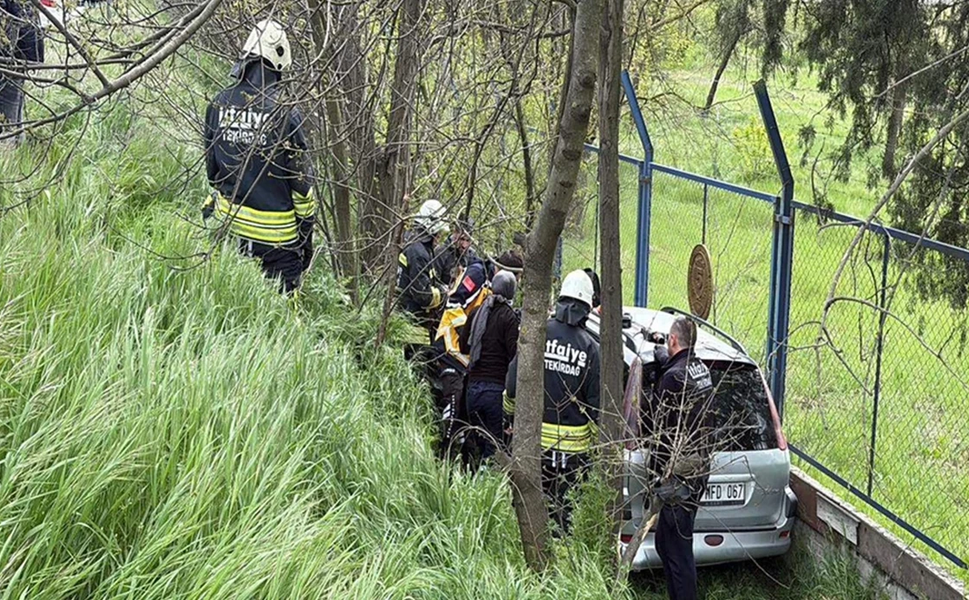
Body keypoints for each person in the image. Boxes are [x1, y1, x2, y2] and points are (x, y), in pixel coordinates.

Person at [202, 19, 315, 294]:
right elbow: (302, 188)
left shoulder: (218, 103)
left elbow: (213, 173)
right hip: (278, 249)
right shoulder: (287, 115)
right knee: (280, 322)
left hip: (229, 233)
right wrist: (306, 239)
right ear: (278, 65)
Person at [504, 269, 600, 531]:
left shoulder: (538, 333)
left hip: (533, 447)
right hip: (573, 459)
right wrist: (594, 444)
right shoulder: (592, 349)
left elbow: (513, 384)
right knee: (566, 522)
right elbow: (596, 409)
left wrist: (509, 414)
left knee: (530, 515)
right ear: (588, 307)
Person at [648, 316, 715, 600]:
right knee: (667, 543)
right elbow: (679, 368)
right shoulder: (700, 369)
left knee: (678, 552)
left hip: (679, 475)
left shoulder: (672, 379)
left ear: (673, 340)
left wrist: (655, 475)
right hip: (699, 469)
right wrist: (662, 355)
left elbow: (662, 433)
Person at [459, 270, 519, 463]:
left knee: (478, 445)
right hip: (495, 392)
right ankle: (488, 488)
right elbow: (514, 355)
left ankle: (471, 483)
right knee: (495, 451)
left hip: (472, 391)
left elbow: (463, 346)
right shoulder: (509, 317)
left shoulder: (477, 312)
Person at [396, 199, 450, 338]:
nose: (439, 237)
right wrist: (443, 294)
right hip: (411, 318)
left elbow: (427, 278)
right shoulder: (418, 252)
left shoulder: (417, 242)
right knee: (418, 356)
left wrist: (440, 286)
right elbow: (423, 295)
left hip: (407, 313)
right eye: (438, 233)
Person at [0, 0, 44, 148]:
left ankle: (8, 161)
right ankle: (15, 159)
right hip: (17, 55)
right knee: (14, 118)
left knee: (9, 120)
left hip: (11, 57)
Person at [434, 219, 476, 288]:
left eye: (468, 240)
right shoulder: (441, 252)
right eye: (461, 239)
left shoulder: (472, 256)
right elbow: (434, 281)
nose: (464, 245)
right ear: (455, 233)